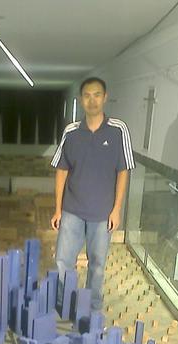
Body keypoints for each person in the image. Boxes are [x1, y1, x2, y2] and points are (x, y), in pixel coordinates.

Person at [50, 77, 135, 311]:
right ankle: (63, 304)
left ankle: (93, 307)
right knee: (63, 262)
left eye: (97, 95)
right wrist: (58, 209)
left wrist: (117, 209)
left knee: (97, 264)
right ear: (81, 100)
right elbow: (61, 171)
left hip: (102, 213)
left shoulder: (119, 130)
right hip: (72, 211)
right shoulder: (72, 132)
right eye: (87, 95)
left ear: (105, 98)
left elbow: (123, 171)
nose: (92, 100)